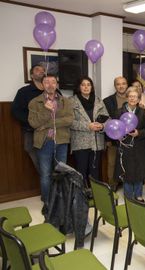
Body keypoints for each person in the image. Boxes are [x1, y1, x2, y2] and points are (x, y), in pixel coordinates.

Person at [28, 75, 73, 211]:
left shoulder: (65, 101)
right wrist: (47, 111)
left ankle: (61, 199)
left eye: (53, 82)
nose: (50, 84)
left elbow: (69, 120)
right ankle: (47, 201)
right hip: (45, 142)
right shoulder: (35, 102)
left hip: (61, 141)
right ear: (42, 85)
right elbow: (34, 123)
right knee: (46, 174)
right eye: (46, 82)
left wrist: (47, 124)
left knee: (61, 172)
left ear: (57, 85)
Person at [69, 76, 109, 186]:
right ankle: (82, 198)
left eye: (88, 84)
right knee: (81, 171)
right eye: (83, 85)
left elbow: (108, 119)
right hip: (80, 143)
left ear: (91, 87)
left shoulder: (99, 100)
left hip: (97, 142)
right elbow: (70, 122)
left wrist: (102, 125)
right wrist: (88, 126)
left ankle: (95, 196)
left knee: (95, 172)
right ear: (78, 87)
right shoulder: (71, 101)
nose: (86, 87)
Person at [115, 87, 145, 202]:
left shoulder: (143, 112)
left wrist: (139, 133)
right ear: (127, 97)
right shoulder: (119, 112)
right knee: (127, 171)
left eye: (135, 97)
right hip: (125, 146)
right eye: (130, 96)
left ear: (139, 99)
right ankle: (129, 196)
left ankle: (139, 195)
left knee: (139, 171)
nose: (132, 98)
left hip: (140, 146)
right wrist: (119, 135)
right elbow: (114, 129)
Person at [11, 64, 46, 173]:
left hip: (50, 130)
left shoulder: (52, 90)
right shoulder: (23, 92)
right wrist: (32, 121)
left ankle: (54, 185)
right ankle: (47, 179)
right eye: (37, 70)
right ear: (31, 75)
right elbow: (15, 111)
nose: (41, 71)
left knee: (52, 156)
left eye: (43, 70)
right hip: (31, 130)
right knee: (31, 150)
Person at [103, 76, 128, 189]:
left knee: (128, 161)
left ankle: (127, 182)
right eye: (118, 84)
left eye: (123, 83)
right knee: (112, 162)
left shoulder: (132, 99)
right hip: (113, 137)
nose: (121, 86)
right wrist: (108, 139)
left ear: (127, 85)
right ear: (115, 86)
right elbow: (105, 121)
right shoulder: (107, 101)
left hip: (129, 138)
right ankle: (112, 185)